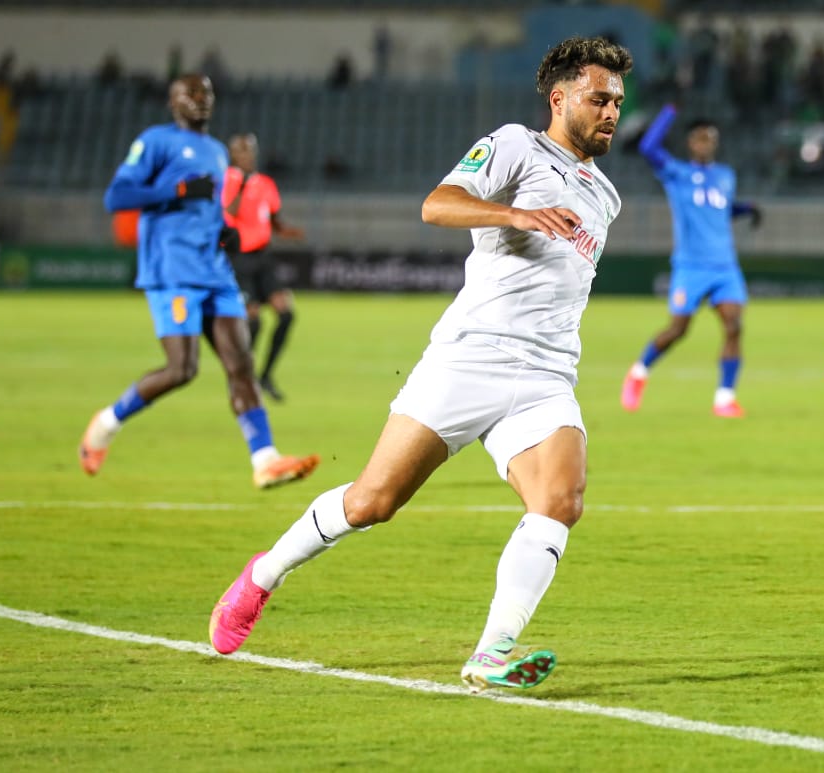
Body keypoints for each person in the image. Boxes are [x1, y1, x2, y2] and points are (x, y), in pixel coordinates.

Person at [208, 36, 633, 693]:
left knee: (560, 500)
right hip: (471, 357)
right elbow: (437, 203)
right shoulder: (517, 146)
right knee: (372, 501)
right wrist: (514, 214)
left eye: (617, 103)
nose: (611, 112)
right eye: (598, 98)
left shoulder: (604, 194)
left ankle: (492, 651)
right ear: (559, 98)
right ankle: (263, 575)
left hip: (547, 375)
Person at [79, 74, 319, 490]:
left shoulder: (216, 152)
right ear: (172, 102)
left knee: (241, 363)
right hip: (173, 272)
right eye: (189, 93)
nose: (199, 98)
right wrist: (176, 189)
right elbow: (116, 197)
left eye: (205, 92)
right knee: (181, 369)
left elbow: (206, 207)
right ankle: (105, 425)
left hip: (215, 270)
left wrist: (223, 232)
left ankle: (264, 459)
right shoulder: (156, 141)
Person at [620, 106, 763, 417]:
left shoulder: (726, 176)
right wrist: (670, 111)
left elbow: (721, 209)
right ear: (690, 142)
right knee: (678, 330)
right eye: (700, 137)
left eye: (710, 138)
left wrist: (746, 209)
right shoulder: (677, 173)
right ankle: (639, 372)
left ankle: (725, 398)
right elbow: (648, 148)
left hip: (724, 265)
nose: (705, 143)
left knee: (734, 326)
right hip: (691, 266)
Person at [221, 133, 306, 402]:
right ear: (233, 155)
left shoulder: (266, 183)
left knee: (286, 314)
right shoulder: (226, 180)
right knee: (253, 322)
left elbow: (272, 218)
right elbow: (228, 214)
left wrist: (285, 231)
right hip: (239, 258)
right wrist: (242, 186)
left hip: (263, 258)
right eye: (241, 151)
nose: (247, 156)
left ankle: (265, 376)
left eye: (250, 151)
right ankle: (242, 378)